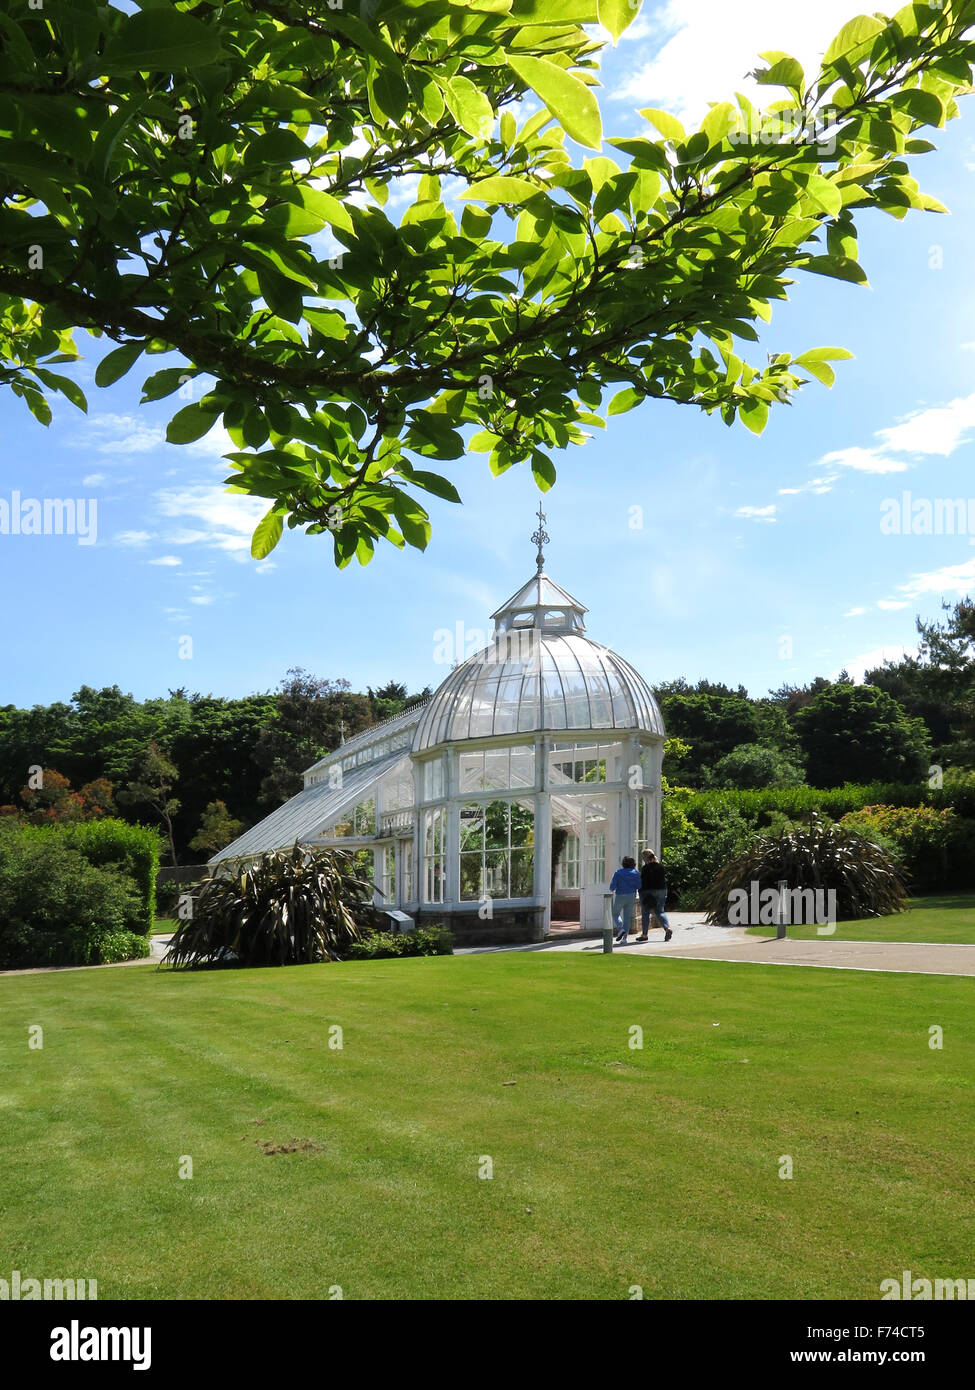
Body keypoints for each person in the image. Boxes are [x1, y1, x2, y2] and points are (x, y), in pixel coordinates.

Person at [637, 850, 672, 942]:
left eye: (643, 857)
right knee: (660, 911)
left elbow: (644, 882)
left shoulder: (645, 868)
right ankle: (667, 928)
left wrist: (640, 892)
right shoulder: (661, 866)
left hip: (648, 891)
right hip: (662, 890)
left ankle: (644, 934)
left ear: (646, 858)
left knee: (645, 913)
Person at [609, 855, 641, 943]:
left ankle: (620, 928)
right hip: (631, 896)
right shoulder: (636, 873)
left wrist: (613, 890)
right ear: (633, 864)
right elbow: (639, 886)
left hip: (620, 895)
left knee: (615, 913)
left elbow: (612, 886)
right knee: (627, 917)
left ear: (623, 864)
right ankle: (625, 938)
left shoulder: (618, 873)